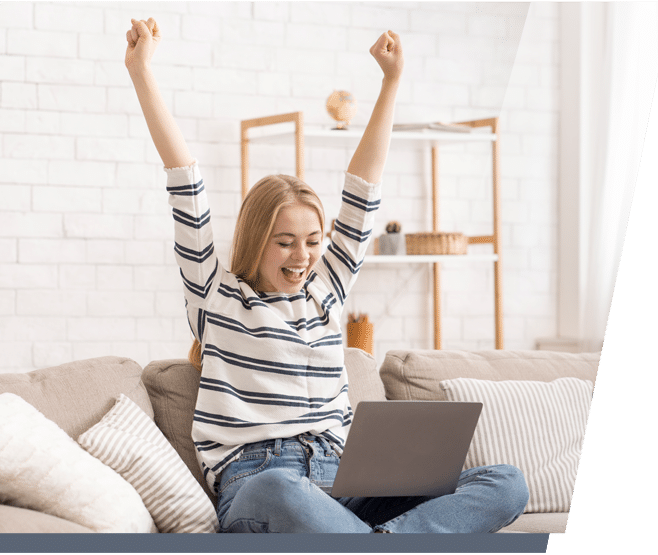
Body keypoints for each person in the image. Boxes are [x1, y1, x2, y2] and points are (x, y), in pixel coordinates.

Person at [125, 17, 529, 533]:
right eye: (285, 242)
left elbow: (363, 189)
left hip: (346, 487)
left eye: (314, 242)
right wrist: (142, 72)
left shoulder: (328, 289)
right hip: (262, 485)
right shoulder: (215, 294)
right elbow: (185, 182)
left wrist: (390, 83)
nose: (302, 257)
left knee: (506, 482)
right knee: (278, 487)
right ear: (255, 240)